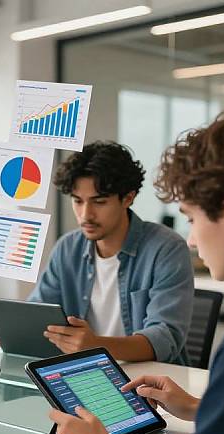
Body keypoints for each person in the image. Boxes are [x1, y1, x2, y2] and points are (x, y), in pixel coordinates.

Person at [49, 110, 224, 434]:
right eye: (78, 201)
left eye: (192, 218)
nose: (191, 239)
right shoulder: (68, 248)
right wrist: (199, 407)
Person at [28, 141, 194, 363]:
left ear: (128, 198)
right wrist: (18, 332)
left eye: (99, 202)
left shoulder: (166, 248)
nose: (86, 214)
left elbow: (165, 338)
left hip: (152, 382)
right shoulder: (67, 248)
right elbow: (38, 311)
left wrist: (96, 346)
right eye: (78, 201)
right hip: (85, 373)